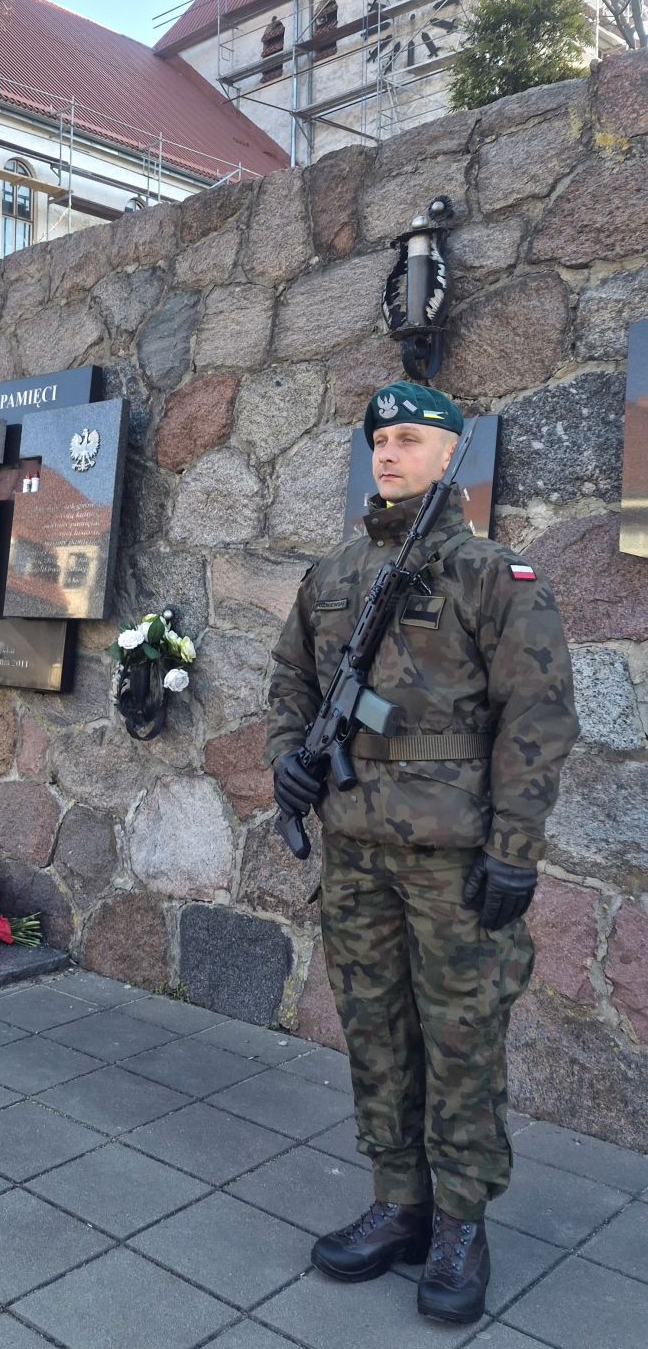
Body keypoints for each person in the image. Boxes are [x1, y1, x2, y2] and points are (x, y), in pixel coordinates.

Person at [266, 381, 578, 1326]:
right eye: (379, 439)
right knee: (373, 1031)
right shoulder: (332, 574)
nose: (388, 452)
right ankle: (397, 1202)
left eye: (408, 438)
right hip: (354, 851)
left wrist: (514, 850)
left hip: (452, 858)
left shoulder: (492, 577)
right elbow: (290, 678)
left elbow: (537, 719)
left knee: (460, 1041)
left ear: (449, 455)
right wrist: (287, 757)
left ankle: (459, 1224)